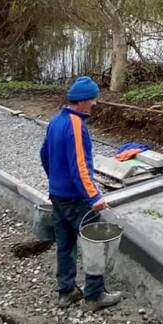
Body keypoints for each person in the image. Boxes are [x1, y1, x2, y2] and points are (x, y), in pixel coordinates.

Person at [40, 76, 121, 311]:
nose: (95, 103)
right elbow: (80, 167)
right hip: (76, 200)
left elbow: (44, 154)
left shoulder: (55, 121)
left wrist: (55, 181)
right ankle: (94, 295)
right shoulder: (76, 126)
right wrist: (94, 197)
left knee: (65, 244)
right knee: (94, 244)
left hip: (57, 196)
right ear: (83, 100)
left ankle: (66, 292)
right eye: (93, 99)